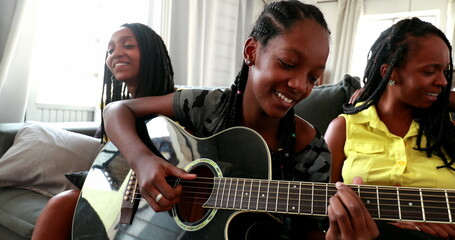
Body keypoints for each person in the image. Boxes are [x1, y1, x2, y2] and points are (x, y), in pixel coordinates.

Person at [103, 1, 379, 239]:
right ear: (251, 52)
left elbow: (308, 232)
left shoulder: (311, 149)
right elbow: (116, 110)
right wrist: (142, 161)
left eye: (312, 77)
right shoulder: (209, 106)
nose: (300, 86)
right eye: (288, 63)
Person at [31, 22, 175, 240]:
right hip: (118, 193)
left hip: (162, 201)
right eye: (110, 50)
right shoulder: (116, 112)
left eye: (128, 46)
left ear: (151, 53)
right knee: (62, 203)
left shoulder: (180, 104)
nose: (116, 54)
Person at [325, 17, 455, 240]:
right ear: (390, 72)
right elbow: (320, 216)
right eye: (429, 71)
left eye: (445, 71)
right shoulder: (343, 129)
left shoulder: (447, 131)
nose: (443, 81)